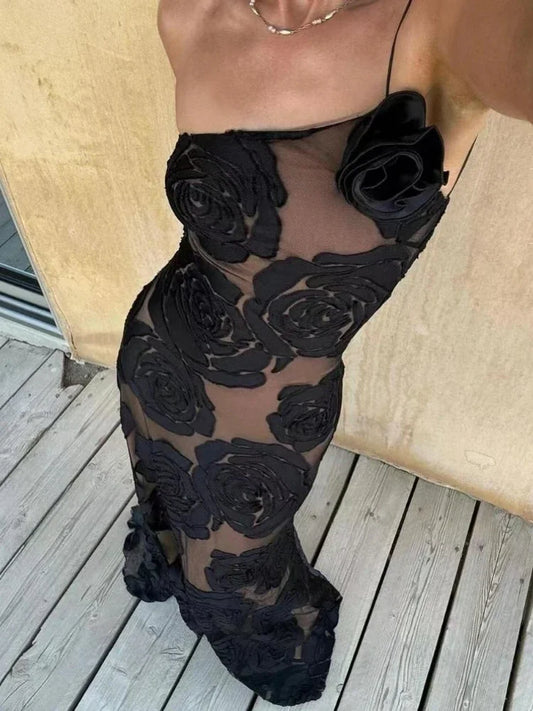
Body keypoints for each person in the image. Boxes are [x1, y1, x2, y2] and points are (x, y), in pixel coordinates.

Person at [115, 0, 532, 705]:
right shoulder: (190, 15)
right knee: (163, 494)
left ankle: (274, 653)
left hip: (262, 427)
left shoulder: (443, 22)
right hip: (154, 352)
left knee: (237, 571)